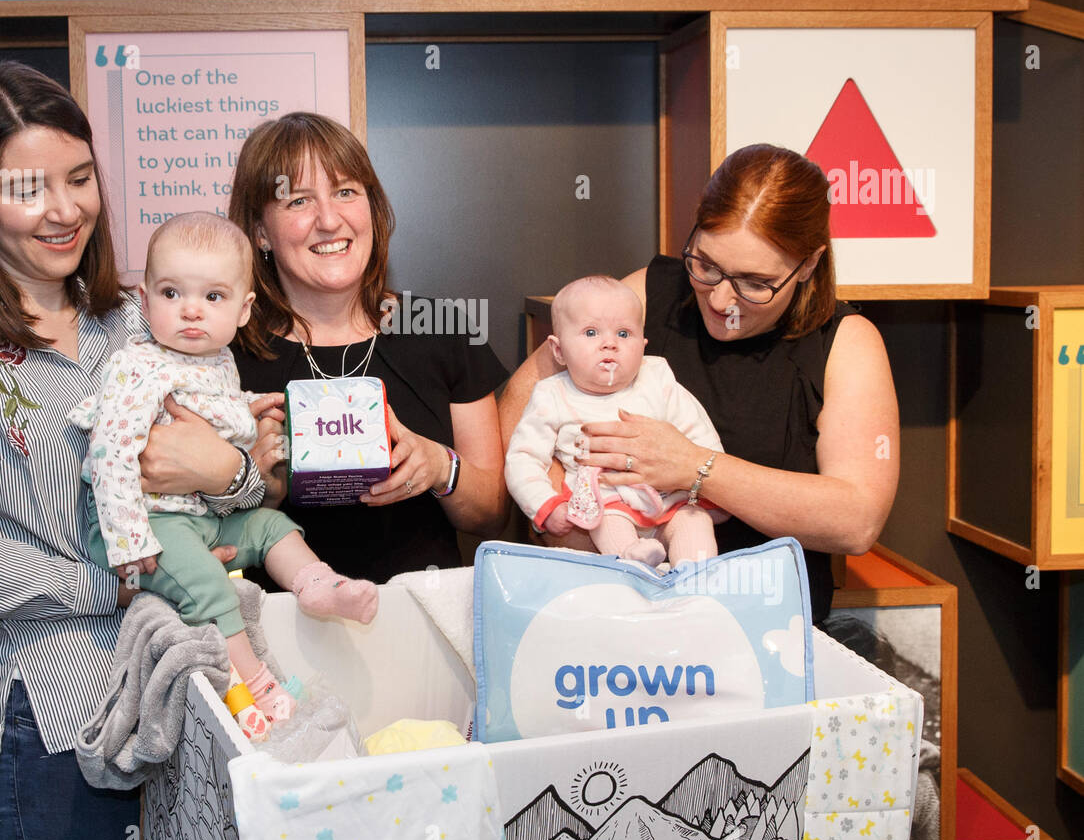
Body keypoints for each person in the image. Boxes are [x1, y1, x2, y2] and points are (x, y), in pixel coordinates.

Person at [0, 62, 265, 840]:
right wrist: (124, 576)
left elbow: (239, 471)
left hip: (196, 702)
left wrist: (226, 474)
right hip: (61, 729)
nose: (64, 210)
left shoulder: (141, 315)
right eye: (27, 188)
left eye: (81, 178)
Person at [500, 144, 900, 622]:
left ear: (809, 265)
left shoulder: (846, 343)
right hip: (615, 618)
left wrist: (693, 466)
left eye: (755, 283)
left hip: (764, 628)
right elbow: (520, 411)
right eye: (706, 265)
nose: (721, 298)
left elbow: (856, 520)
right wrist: (579, 514)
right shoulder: (651, 292)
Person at [72, 212, 378, 740]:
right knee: (212, 588)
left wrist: (245, 409)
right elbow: (110, 453)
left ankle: (317, 584)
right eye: (171, 293)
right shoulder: (136, 366)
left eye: (213, 297)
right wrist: (129, 541)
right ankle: (256, 683)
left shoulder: (217, 362)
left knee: (270, 527)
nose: (191, 310)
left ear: (243, 309)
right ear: (144, 301)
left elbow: (211, 413)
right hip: (148, 526)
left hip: (204, 516)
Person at [228, 112, 509, 583]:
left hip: (424, 626)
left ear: (372, 209)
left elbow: (490, 516)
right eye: (298, 200)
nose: (329, 220)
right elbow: (202, 543)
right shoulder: (224, 357)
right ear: (260, 232)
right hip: (277, 637)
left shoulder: (442, 330)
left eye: (345, 191)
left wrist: (441, 467)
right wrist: (254, 485)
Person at [504, 275, 724, 568]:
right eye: (591, 332)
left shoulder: (658, 379)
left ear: (643, 346)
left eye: (623, 334)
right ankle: (634, 561)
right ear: (558, 350)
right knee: (605, 522)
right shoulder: (551, 396)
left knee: (696, 523)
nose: (609, 344)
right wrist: (544, 504)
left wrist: (713, 487)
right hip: (606, 499)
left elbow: (698, 431)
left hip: (672, 498)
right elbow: (523, 457)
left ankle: (696, 577)